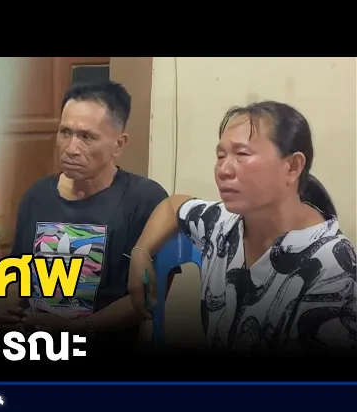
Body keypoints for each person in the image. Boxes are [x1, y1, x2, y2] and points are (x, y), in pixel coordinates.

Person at [128, 101, 356, 352]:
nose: (223, 170)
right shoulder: (220, 223)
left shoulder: (332, 266)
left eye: (242, 155)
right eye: (221, 156)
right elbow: (173, 206)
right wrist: (140, 253)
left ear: (292, 167)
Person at [0, 81, 175, 352]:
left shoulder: (144, 200)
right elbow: (17, 270)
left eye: (87, 137)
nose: (71, 148)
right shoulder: (37, 196)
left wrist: (79, 328)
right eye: (65, 132)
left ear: (119, 144)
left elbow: (148, 298)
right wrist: (6, 303)